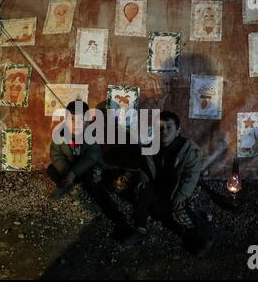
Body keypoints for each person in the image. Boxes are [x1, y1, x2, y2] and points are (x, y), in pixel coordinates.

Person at [124, 111, 214, 256]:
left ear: (178, 131)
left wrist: (182, 194)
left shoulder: (189, 150)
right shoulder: (150, 146)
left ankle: (200, 238)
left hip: (178, 187)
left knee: (182, 210)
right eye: (160, 127)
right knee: (143, 194)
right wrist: (143, 178)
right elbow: (144, 167)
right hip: (158, 185)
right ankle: (140, 228)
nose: (163, 131)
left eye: (168, 127)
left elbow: (191, 176)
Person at [47, 101, 130, 231]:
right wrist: (67, 172)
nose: (76, 124)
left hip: (91, 165)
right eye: (72, 119)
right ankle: (68, 184)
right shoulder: (59, 133)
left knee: (92, 183)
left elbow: (91, 157)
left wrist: (72, 173)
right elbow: (56, 154)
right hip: (72, 165)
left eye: (81, 120)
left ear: (88, 120)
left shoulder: (93, 133)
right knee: (52, 169)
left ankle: (117, 219)